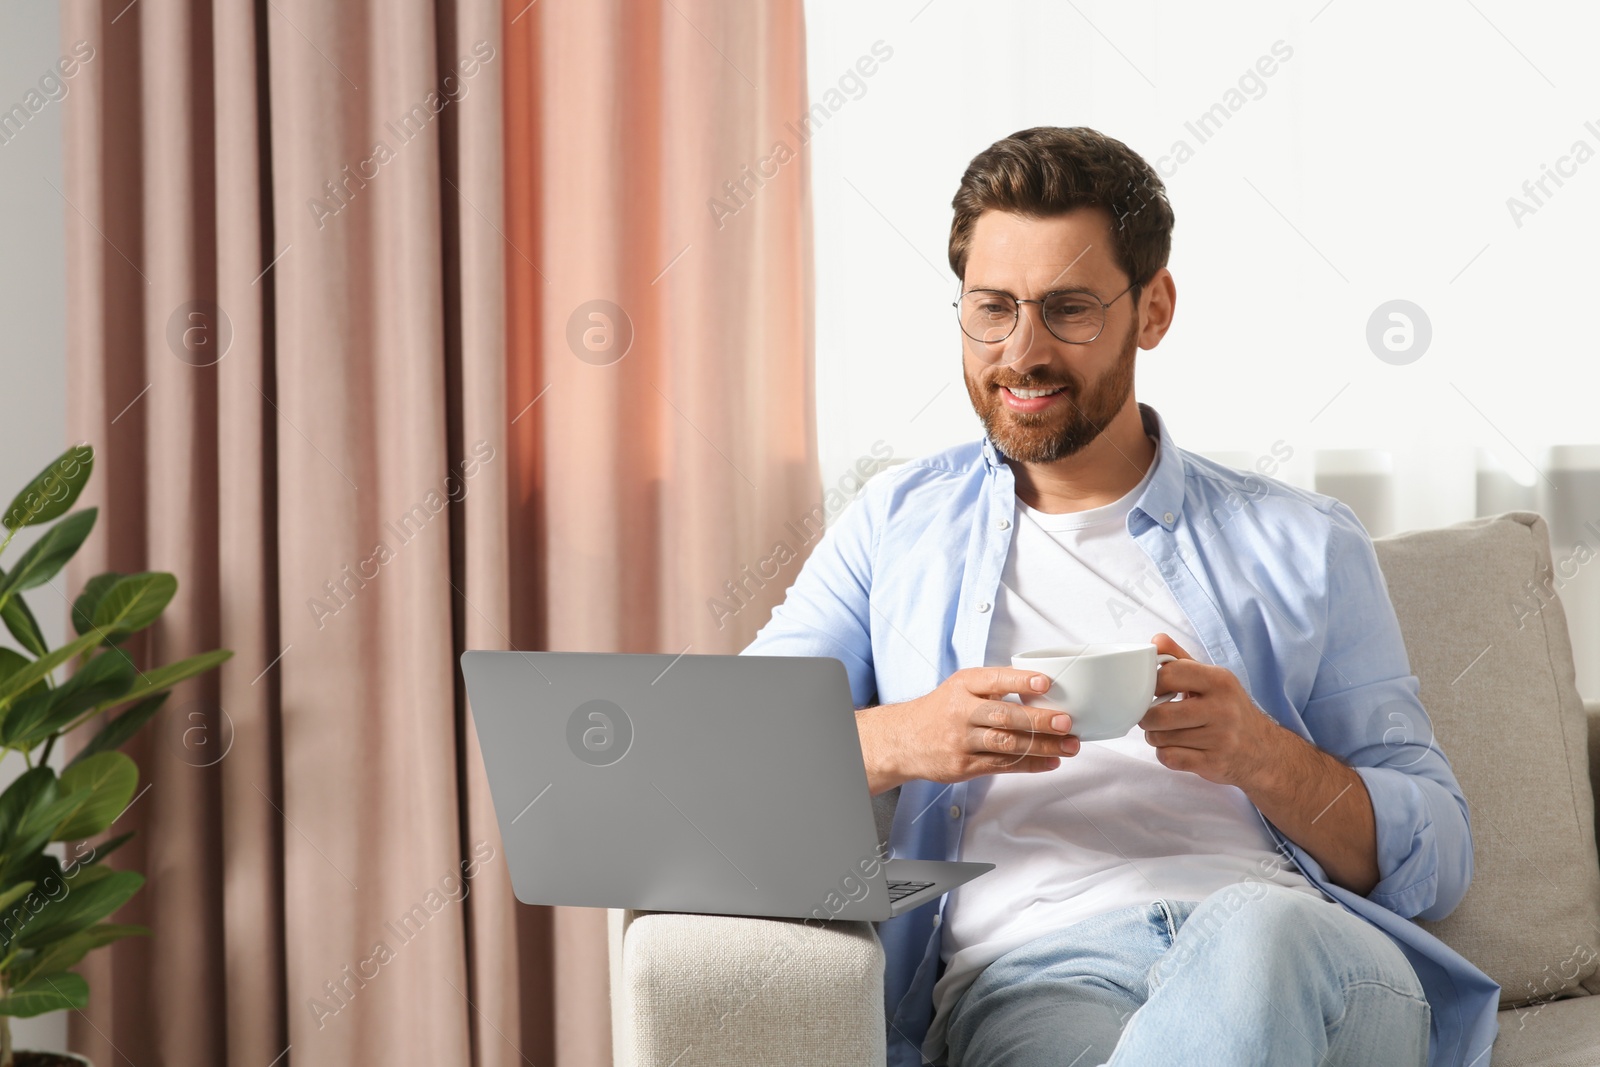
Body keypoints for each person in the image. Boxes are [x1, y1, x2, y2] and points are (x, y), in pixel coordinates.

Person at [740, 127, 1500, 1066]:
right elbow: (731, 752)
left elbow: (1441, 854)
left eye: (1067, 309)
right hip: (1036, 975)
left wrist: (1263, 756)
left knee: (1258, 934)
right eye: (992, 308)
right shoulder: (895, 526)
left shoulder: (1307, 539)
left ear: (1153, 308)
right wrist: (909, 736)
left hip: (1304, 953)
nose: (1022, 352)